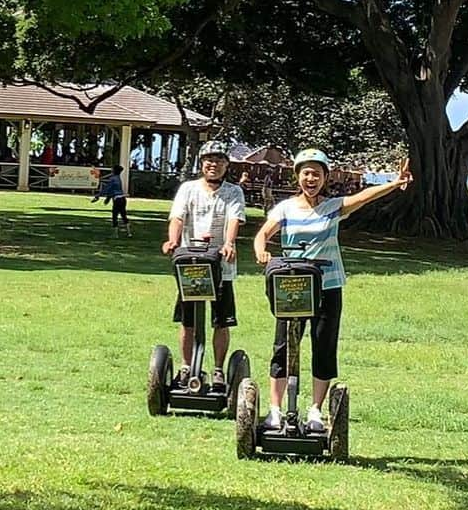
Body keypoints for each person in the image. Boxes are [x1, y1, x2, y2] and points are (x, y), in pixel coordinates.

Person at [253, 149, 413, 431]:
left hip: (327, 286)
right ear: (298, 176)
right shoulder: (286, 208)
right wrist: (262, 251)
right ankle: (275, 410)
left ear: (325, 177)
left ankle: (315, 410)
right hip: (293, 285)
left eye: (317, 173)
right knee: (283, 346)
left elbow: (363, 197)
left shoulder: (333, 207)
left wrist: (394, 183)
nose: (311, 178)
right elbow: (263, 234)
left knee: (323, 346)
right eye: (306, 173)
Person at [161, 141, 245, 386]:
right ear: (201, 163)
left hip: (222, 266)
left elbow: (234, 219)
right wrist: (173, 241)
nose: (214, 164)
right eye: (209, 159)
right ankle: (187, 367)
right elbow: (177, 217)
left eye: (219, 160)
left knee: (221, 320)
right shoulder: (188, 189)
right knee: (188, 321)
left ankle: (218, 370)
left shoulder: (233, 192)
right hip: (192, 264)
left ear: (226, 165)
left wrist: (229, 243)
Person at [93, 164, 131, 236]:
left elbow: (108, 189)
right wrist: (108, 198)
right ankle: (129, 233)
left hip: (117, 199)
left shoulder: (112, 179)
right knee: (123, 215)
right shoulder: (118, 178)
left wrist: (98, 195)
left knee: (115, 215)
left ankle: (115, 234)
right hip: (123, 198)